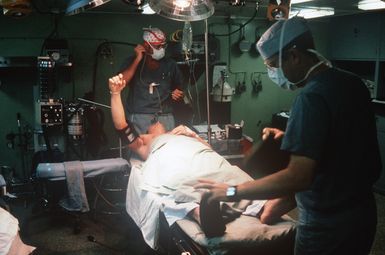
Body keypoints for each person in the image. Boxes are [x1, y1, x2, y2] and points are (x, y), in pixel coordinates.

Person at [194, 17, 382, 255]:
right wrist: (292, 137)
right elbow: (343, 142)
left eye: (273, 64)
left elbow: (298, 178)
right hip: (362, 215)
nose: (273, 73)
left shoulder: (311, 97)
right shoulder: (352, 83)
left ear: (294, 56)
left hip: (327, 226)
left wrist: (231, 191)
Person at [118, 27, 185, 134]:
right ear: (146, 45)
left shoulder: (170, 64)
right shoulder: (131, 62)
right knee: (141, 148)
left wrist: (178, 93)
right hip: (140, 116)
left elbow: (179, 88)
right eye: (158, 46)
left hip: (165, 116)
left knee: (165, 148)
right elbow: (121, 83)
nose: (162, 49)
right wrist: (137, 59)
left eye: (163, 46)